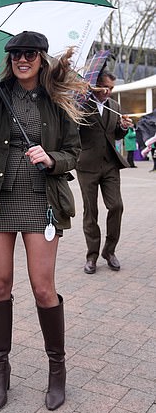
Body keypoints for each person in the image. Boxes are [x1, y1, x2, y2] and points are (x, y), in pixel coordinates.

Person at [0, 31, 87, 411]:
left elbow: (73, 151)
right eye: (14, 54)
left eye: (29, 54)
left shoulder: (58, 101)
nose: (21, 59)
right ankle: (1, 371)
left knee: (43, 287)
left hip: (40, 199)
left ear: (42, 58)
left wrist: (52, 158)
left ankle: (56, 371)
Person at [76, 70, 133, 274]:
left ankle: (109, 251)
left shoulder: (115, 106)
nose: (108, 91)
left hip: (110, 165)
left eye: (111, 88)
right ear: (95, 85)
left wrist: (124, 128)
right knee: (90, 212)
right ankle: (92, 256)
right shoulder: (80, 106)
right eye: (105, 87)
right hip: (87, 166)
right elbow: (72, 132)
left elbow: (115, 134)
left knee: (116, 206)